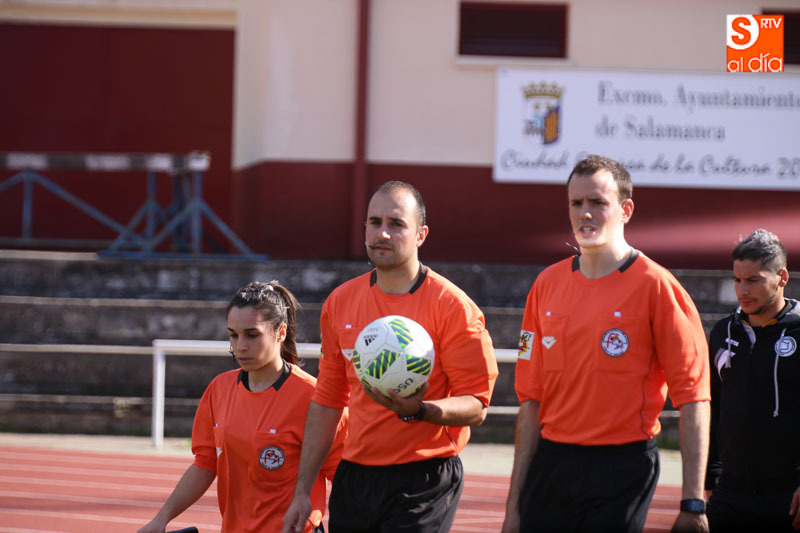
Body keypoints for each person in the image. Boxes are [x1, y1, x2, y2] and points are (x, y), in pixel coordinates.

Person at [502, 154, 711, 533]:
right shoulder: (545, 286)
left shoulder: (657, 286)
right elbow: (531, 403)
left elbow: (694, 397)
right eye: (576, 202)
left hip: (623, 468)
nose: (585, 213)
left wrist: (693, 502)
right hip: (552, 465)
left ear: (625, 210)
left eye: (598, 202)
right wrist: (513, 509)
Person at [283, 181, 499, 533]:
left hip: (425, 478)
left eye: (396, 224)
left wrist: (420, 410)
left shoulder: (453, 307)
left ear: (421, 235)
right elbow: (327, 402)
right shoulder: (340, 302)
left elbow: (476, 405)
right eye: (375, 222)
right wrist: (302, 492)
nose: (382, 233)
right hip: (355, 477)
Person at [138, 281, 347, 533]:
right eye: (233, 335)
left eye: (252, 334)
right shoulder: (219, 389)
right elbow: (205, 464)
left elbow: (345, 479)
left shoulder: (316, 398)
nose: (240, 346)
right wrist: (161, 519)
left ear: (281, 332)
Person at [705, 229, 800, 531]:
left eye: (753, 280)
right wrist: (709, 477)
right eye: (737, 280)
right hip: (729, 493)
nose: (742, 290)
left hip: (789, 496)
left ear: (782, 277)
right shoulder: (723, 332)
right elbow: (712, 406)